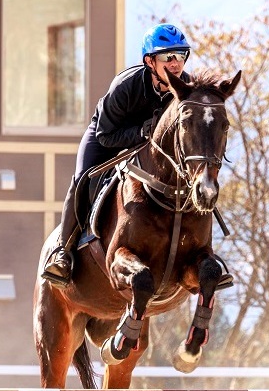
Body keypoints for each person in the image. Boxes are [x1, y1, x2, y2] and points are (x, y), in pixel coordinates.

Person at [41, 23, 196, 286]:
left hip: (147, 146)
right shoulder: (126, 85)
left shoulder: (185, 89)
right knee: (82, 180)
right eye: (168, 57)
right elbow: (105, 135)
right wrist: (142, 132)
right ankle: (62, 253)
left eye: (181, 56)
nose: (176, 64)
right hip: (106, 137)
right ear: (149, 61)